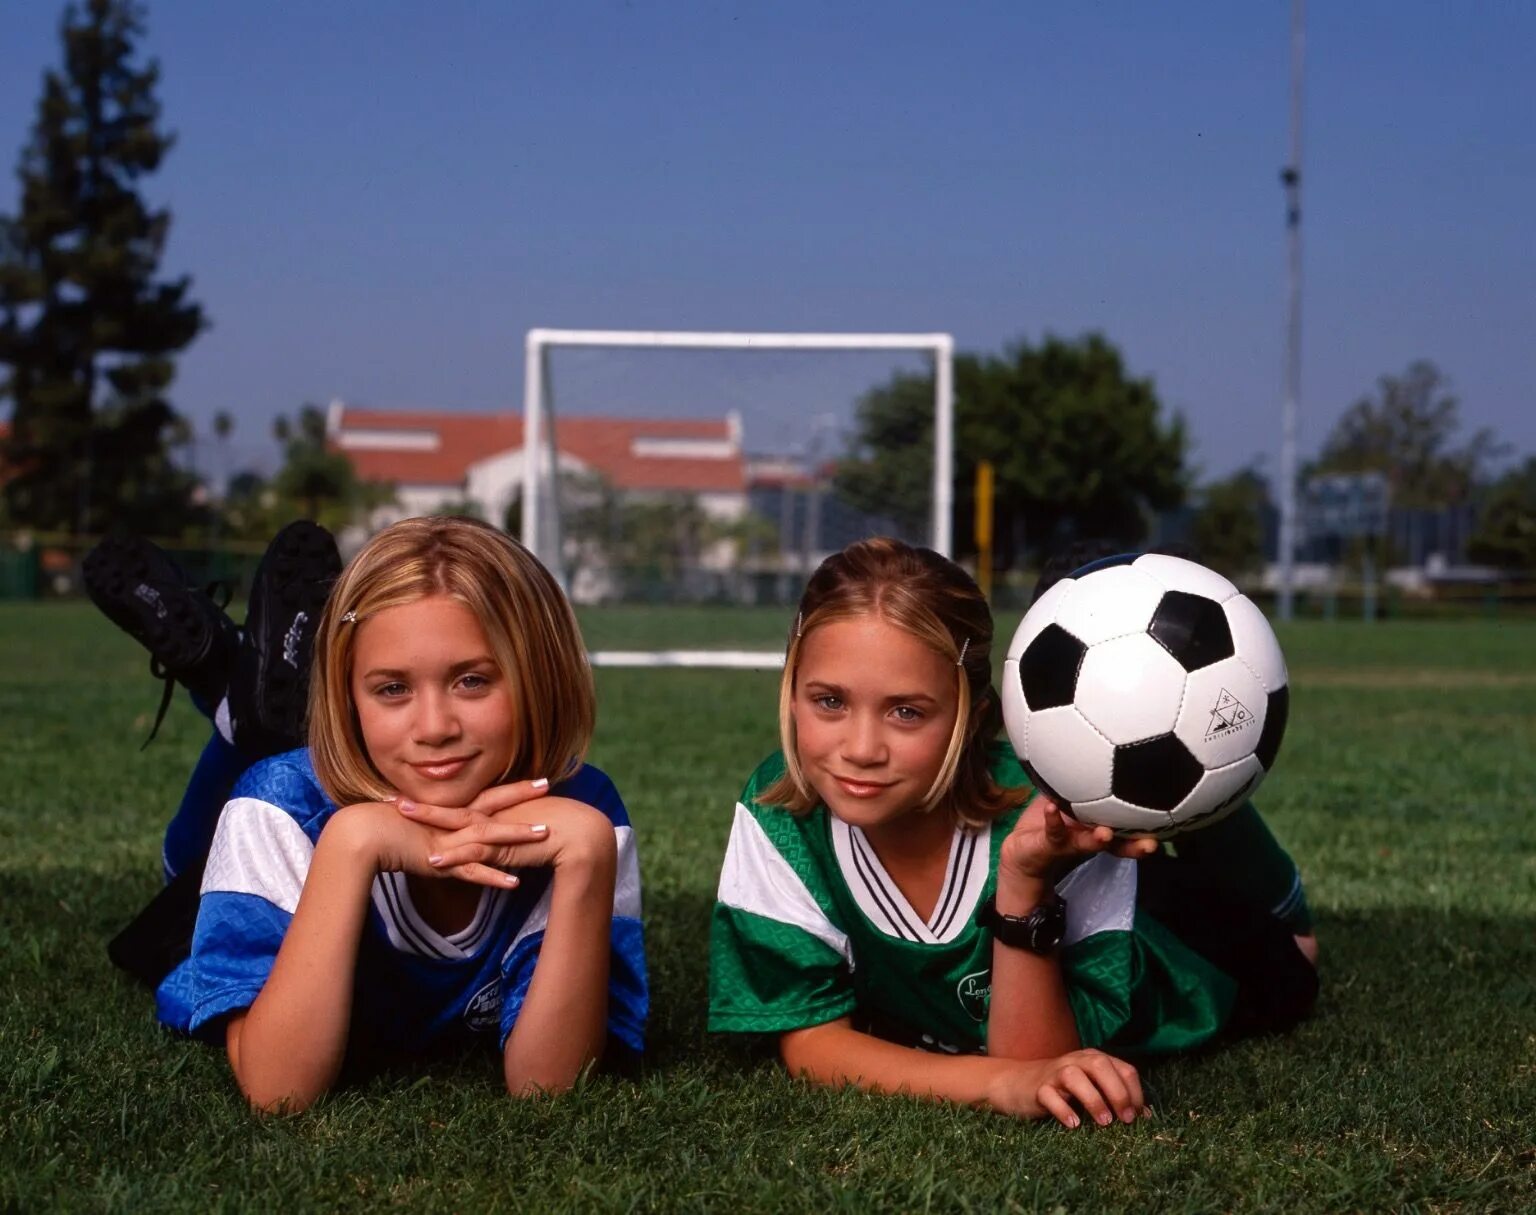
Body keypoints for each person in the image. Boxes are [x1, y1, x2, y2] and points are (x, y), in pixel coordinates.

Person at [708, 538, 1316, 1127]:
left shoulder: (1055, 808)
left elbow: (1041, 1061)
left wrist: (1025, 877)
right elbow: (813, 1044)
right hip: (1093, 865)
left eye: (906, 712)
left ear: (973, 716)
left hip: (1190, 947)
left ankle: (1243, 848)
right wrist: (999, 1085)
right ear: (791, 689)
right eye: (829, 702)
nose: (861, 749)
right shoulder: (777, 812)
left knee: (1290, 961)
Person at [89, 516, 646, 1112]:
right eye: (391, 689)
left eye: (473, 681)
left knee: (267, 780)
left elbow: (550, 1089)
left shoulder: (581, 817)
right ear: (345, 695)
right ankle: (237, 722)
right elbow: (277, 1091)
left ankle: (240, 705)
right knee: (188, 872)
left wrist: (588, 854)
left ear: (544, 675)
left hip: (317, 802)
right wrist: (351, 845)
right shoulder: (278, 806)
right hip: (252, 863)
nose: (435, 728)